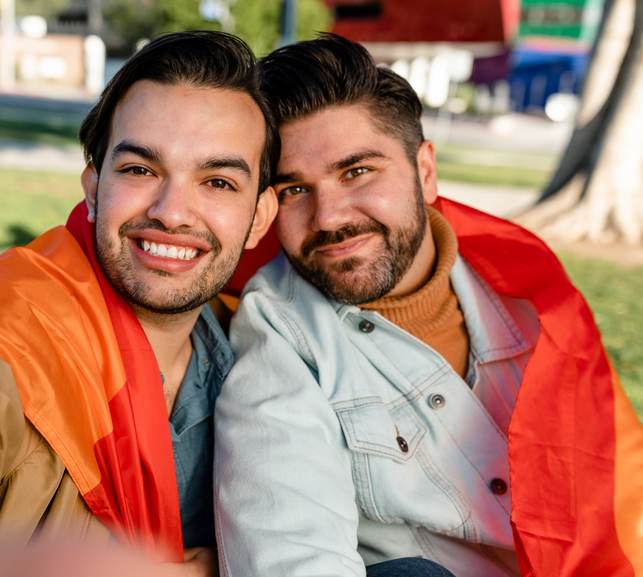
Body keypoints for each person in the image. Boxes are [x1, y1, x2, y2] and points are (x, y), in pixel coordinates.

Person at [214, 34, 643, 577]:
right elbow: (289, 553)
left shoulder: (531, 303)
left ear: (425, 171)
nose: (328, 217)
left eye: (357, 172)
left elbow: (617, 499)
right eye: (295, 190)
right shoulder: (281, 333)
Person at [0, 30, 278, 575]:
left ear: (260, 219)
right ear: (93, 187)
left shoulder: (260, 352)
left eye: (218, 182)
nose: (172, 212)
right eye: (140, 170)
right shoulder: (10, 339)